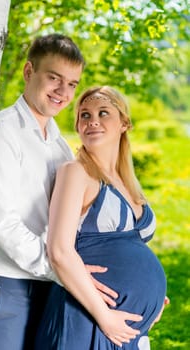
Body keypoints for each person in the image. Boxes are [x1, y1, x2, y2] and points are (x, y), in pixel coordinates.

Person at [0, 35, 141, 350]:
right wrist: (61, 269)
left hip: (53, 288)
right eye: (54, 78)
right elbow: (1, 224)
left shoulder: (59, 145)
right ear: (29, 72)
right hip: (8, 291)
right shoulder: (0, 134)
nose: (63, 92)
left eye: (72, 84)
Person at [34, 86, 167, 350]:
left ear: (124, 124)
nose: (92, 120)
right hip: (88, 317)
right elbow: (59, 250)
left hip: (127, 326)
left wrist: (154, 296)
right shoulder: (76, 172)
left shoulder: (126, 181)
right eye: (84, 115)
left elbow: (131, 247)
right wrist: (104, 317)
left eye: (103, 113)